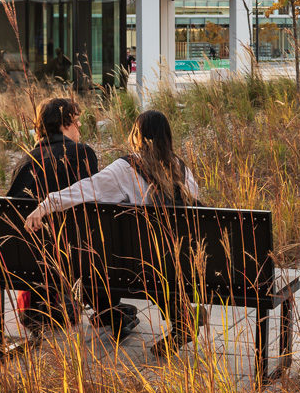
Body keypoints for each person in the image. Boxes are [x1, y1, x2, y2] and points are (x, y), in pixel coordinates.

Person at [24, 109, 203, 358]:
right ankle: (183, 314)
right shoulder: (181, 168)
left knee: (144, 257)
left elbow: (85, 189)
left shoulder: (125, 168)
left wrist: (46, 205)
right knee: (163, 260)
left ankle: (180, 316)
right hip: (185, 264)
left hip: (140, 268)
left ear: (136, 136)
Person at [6, 97, 133, 339]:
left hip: (30, 269)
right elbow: (96, 209)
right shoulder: (82, 153)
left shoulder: (25, 161)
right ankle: (108, 310)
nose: (79, 129)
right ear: (64, 124)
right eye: (76, 123)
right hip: (78, 264)